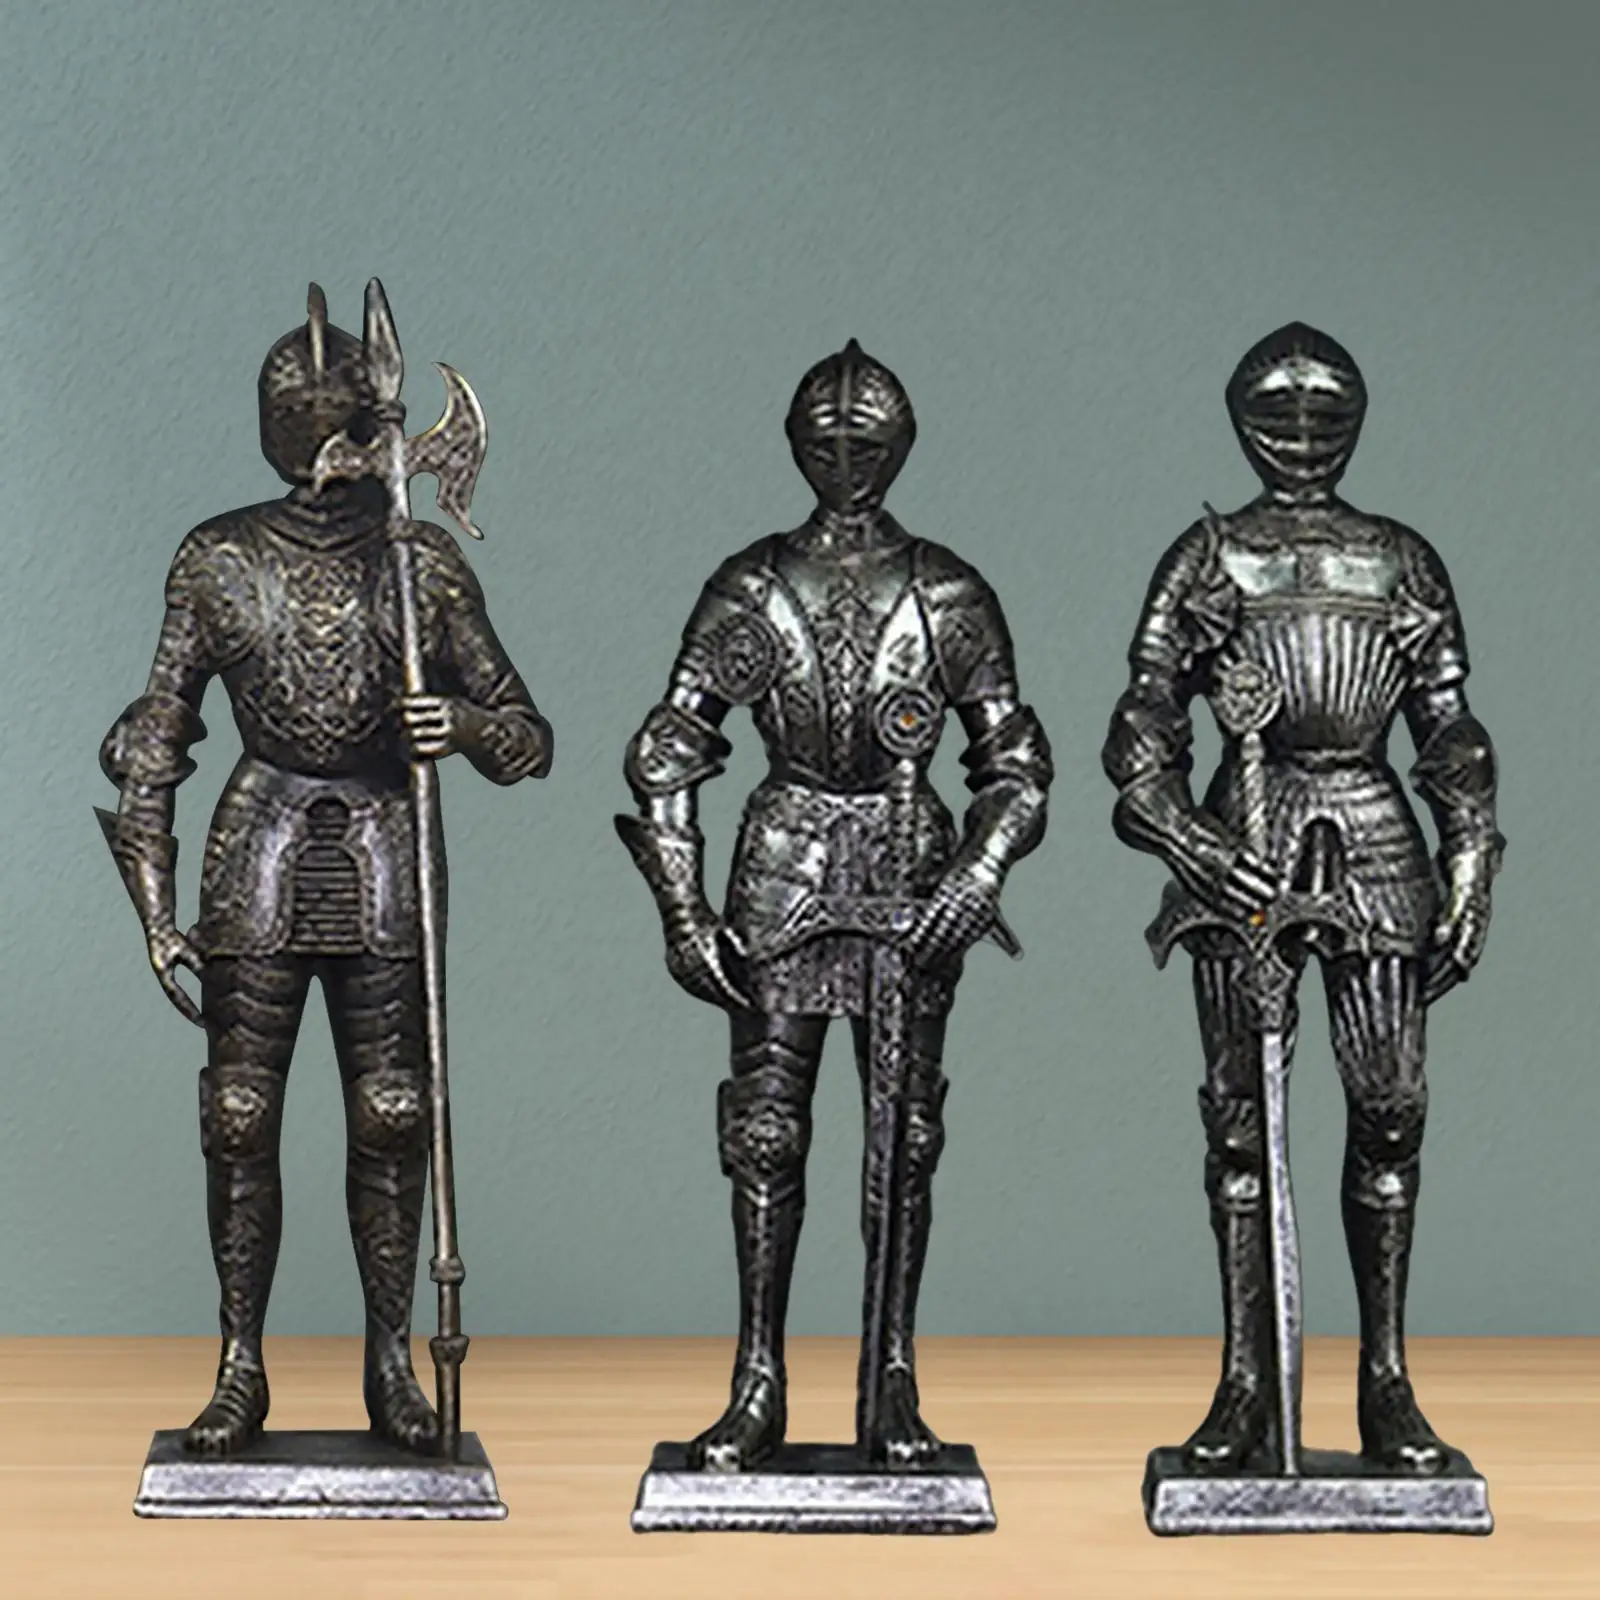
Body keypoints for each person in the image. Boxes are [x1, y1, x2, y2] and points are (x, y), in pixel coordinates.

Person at [97, 287, 552, 1458]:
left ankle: (389, 1364)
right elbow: (153, 738)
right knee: (238, 1114)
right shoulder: (219, 558)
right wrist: (154, 908)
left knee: (392, 1114)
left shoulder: (420, 563)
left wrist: (458, 722)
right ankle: (239, 1364)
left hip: (386, 840)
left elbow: (525, 734)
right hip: (259, 841)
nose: (318, 449)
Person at [617, 340, 1052, 1469]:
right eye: (827, 438)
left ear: (902, 445)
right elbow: (671, 743)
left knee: (904, 1136)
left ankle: (891, 1373)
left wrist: (977, 874)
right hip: (787, 861)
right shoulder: (752, 586)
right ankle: (757, 1378)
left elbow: (1014, 760)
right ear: (794, 445)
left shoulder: (949, 592)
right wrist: (680, 903)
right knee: (764, 1134)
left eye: (868, 439)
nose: (849, 458)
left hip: (911, 873)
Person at [1102, 323, 1503, 1474]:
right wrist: (1186, 833)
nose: (1300, 435)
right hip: (1247, 831)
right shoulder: (1206, 559)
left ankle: (1385, 1379)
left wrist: (1469, 856)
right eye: (1275, 414)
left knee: (1389, 1113)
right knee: (1238, 1123)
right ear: (1240, 422)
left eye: (1324, 414)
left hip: (1370, 829)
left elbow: (1448, 730)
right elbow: (1140, 722)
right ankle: (1244, 1383)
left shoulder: (1399, 560)